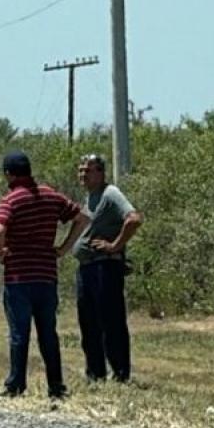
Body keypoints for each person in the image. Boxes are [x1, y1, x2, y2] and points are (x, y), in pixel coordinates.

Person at [0, 150, 90, 399]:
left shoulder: (11, 200)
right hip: (46, 274)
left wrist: (1, 252)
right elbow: (82, 218)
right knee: (48, 332)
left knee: (19, 333)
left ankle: (16, 385)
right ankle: (56, 386)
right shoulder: (51, 196)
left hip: (18, 277)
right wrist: (64, 248)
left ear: (9, 174)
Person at [73, 154, 143, 383]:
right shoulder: (89, 198)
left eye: (89, 170)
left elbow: (133, 219)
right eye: (81, 170)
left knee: (110, 322)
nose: (83, 174)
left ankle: (120, 373)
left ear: (101, 172)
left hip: (105, 267)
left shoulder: (111, 194)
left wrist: (114, 245)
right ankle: (95, 374)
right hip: (86, 268)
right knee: (89, 324)